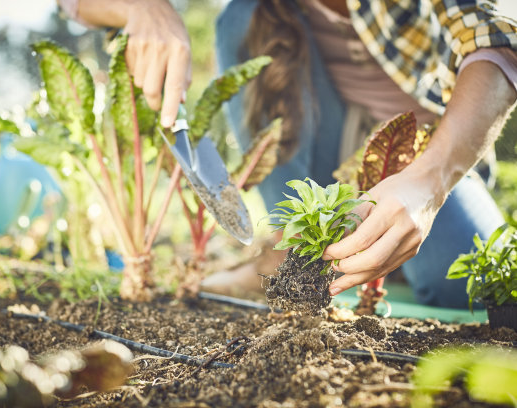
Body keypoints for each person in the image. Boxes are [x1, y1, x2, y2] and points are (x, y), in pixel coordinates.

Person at [57, 0, 517, 308]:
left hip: (420, 152)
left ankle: (376, 256)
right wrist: (143, 7)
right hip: (317, 145)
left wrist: (429, 183)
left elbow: (498, 45)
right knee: (242, 14)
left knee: (468, 287)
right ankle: (289, 247)